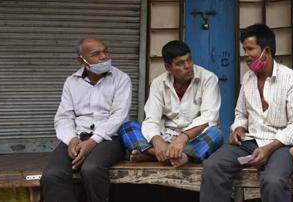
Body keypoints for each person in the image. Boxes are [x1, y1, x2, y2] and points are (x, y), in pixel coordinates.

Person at [200, 24, 293, 202]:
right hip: (250, 141)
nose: (246, 55)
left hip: (280, 144)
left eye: (250, 49)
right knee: (212, 166)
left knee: (273, 181)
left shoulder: (291, 79)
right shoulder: (248, 78)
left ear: (267, 50)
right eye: (244, 50)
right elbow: (241, 113)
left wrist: (269, 148)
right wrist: (238, 129)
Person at [41, 37, 132, 202]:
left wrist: (93, 141)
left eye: (105, 51)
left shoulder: (121, 79)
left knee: (92, 169)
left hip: (109, 137)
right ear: (81, 61)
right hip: (78, 136)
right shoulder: (71, 82)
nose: (104, 56)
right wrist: (71, 139)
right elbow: (64, 116)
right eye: (96, 54)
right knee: (52, 174)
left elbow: (119, 116)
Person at [119, 40, 223, 167]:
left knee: (216, 134)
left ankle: (153, 155)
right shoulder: (158, 83)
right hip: (166, 136)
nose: (188, 66)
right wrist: (157, 141)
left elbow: (209, 117)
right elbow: (152, 118)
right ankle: (181, 156)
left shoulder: (208, 79)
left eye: (189, 60)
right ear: (168, 67)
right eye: (180, 63)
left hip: (193, 138)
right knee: (127, 127)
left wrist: (183, 137)